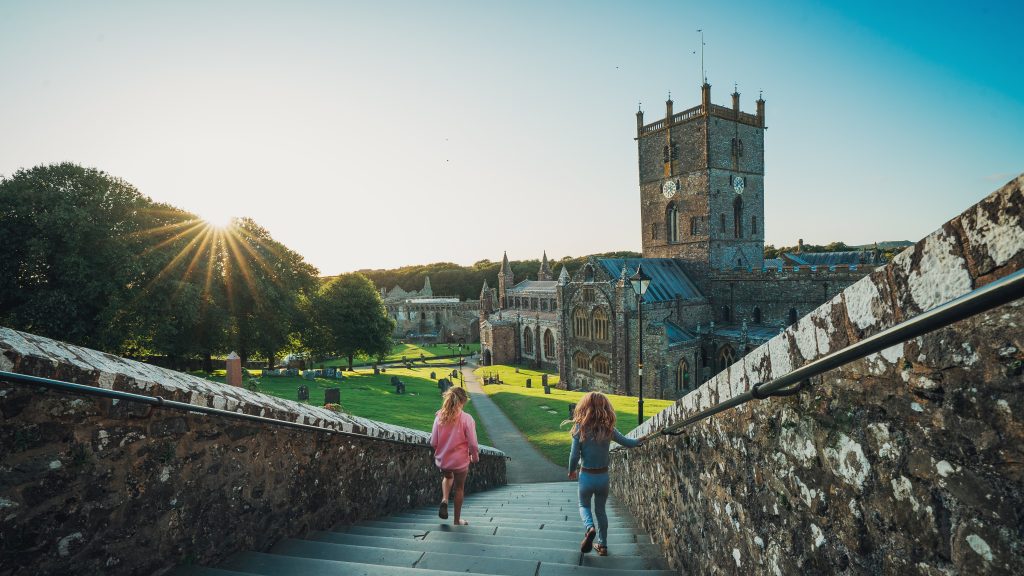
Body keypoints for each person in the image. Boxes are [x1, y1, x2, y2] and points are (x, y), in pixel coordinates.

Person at [566, 392, 643, 556]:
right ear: (605, 408)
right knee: (601, 511)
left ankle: (589, 528)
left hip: (586, 476)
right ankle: (602, 545)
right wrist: (640, 440)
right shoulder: (608, 429)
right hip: (603, 477)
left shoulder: (580, 428)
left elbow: (574, 456)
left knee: (584, 505)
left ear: (584, 407)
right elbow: (628, 443)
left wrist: (572, 470)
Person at [430, 386, 479, 525]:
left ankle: (444, 499)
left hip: (443, 460)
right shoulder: (467, 419)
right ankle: (457, 520)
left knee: (447, 476)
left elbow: (433, 441)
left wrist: (440, 453)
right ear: (463, 401)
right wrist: (474, 457)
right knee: (459, 488)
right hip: (460, 462)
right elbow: (473, 444)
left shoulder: (439, 416)